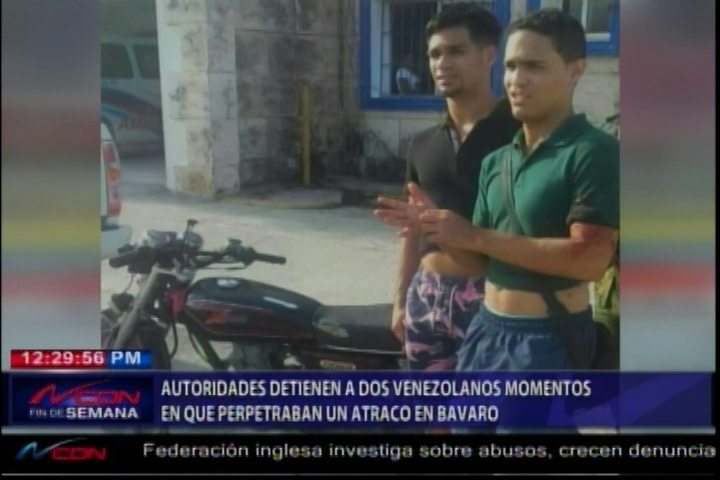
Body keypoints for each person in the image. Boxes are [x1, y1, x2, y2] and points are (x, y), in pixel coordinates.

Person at [377, 8, 618, 374]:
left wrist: (471, 235)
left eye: (534, 66)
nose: (517, 80)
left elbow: (590, 259)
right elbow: (475, 259)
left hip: (541, 334)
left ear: (575, 70)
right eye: (511, 66)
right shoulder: (493, 160)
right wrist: (433, 230)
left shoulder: (589, 150)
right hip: (480, 326)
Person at [377, 2, 520, 373]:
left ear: (489, 55)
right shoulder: (423, 144)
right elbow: (412, 231)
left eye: (456, 51)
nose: (442, 63)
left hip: (494, 298)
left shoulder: (519, 135)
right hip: (427, 296)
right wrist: (401, 299)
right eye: (435, 54)